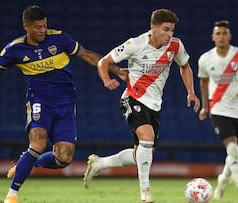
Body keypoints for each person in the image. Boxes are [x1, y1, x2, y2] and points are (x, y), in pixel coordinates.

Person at [0, 5, 125, 203]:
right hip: (39, 101)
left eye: (45, 26)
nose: (42, 30)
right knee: (38, 143)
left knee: (64, 159)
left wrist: (116, 70)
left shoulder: (60, 39)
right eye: (38, 27)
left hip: (65, 103)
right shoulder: (16, 49)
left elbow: (89, 55)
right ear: (26, 26)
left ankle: (27, 161)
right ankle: (12, 195)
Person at [82, 8, 200, 203]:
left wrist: (191, 92)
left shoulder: (176, 46)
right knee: (147, 137)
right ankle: (145, 191)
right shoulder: (135, 44)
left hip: (155, 105)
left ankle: (100, 163)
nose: (170, 35)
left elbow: (185, 66)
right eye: (166, 29)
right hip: (133, 98)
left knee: (143, 154)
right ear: (153, 28)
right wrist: (106, 80)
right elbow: (104, 62)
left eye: (172, 30)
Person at [197, 20, 238, 200]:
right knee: (232, 149)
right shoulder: (205, 59)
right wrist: (205, 106)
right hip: (219, 108)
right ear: (213, 37)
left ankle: (223, 180)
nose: (221, 37)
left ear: (229, 36)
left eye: (224, 33)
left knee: (235, 154)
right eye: (218, 34)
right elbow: (203, 82)